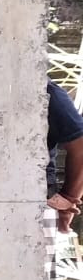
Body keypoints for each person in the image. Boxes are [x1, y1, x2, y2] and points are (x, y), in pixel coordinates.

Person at [48, 80, 83, 232]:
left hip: (38, 199)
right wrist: (69, 198)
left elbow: (80, 146)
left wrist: (68, 198)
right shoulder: (48, 91)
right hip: (37, 199)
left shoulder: (49, 93)